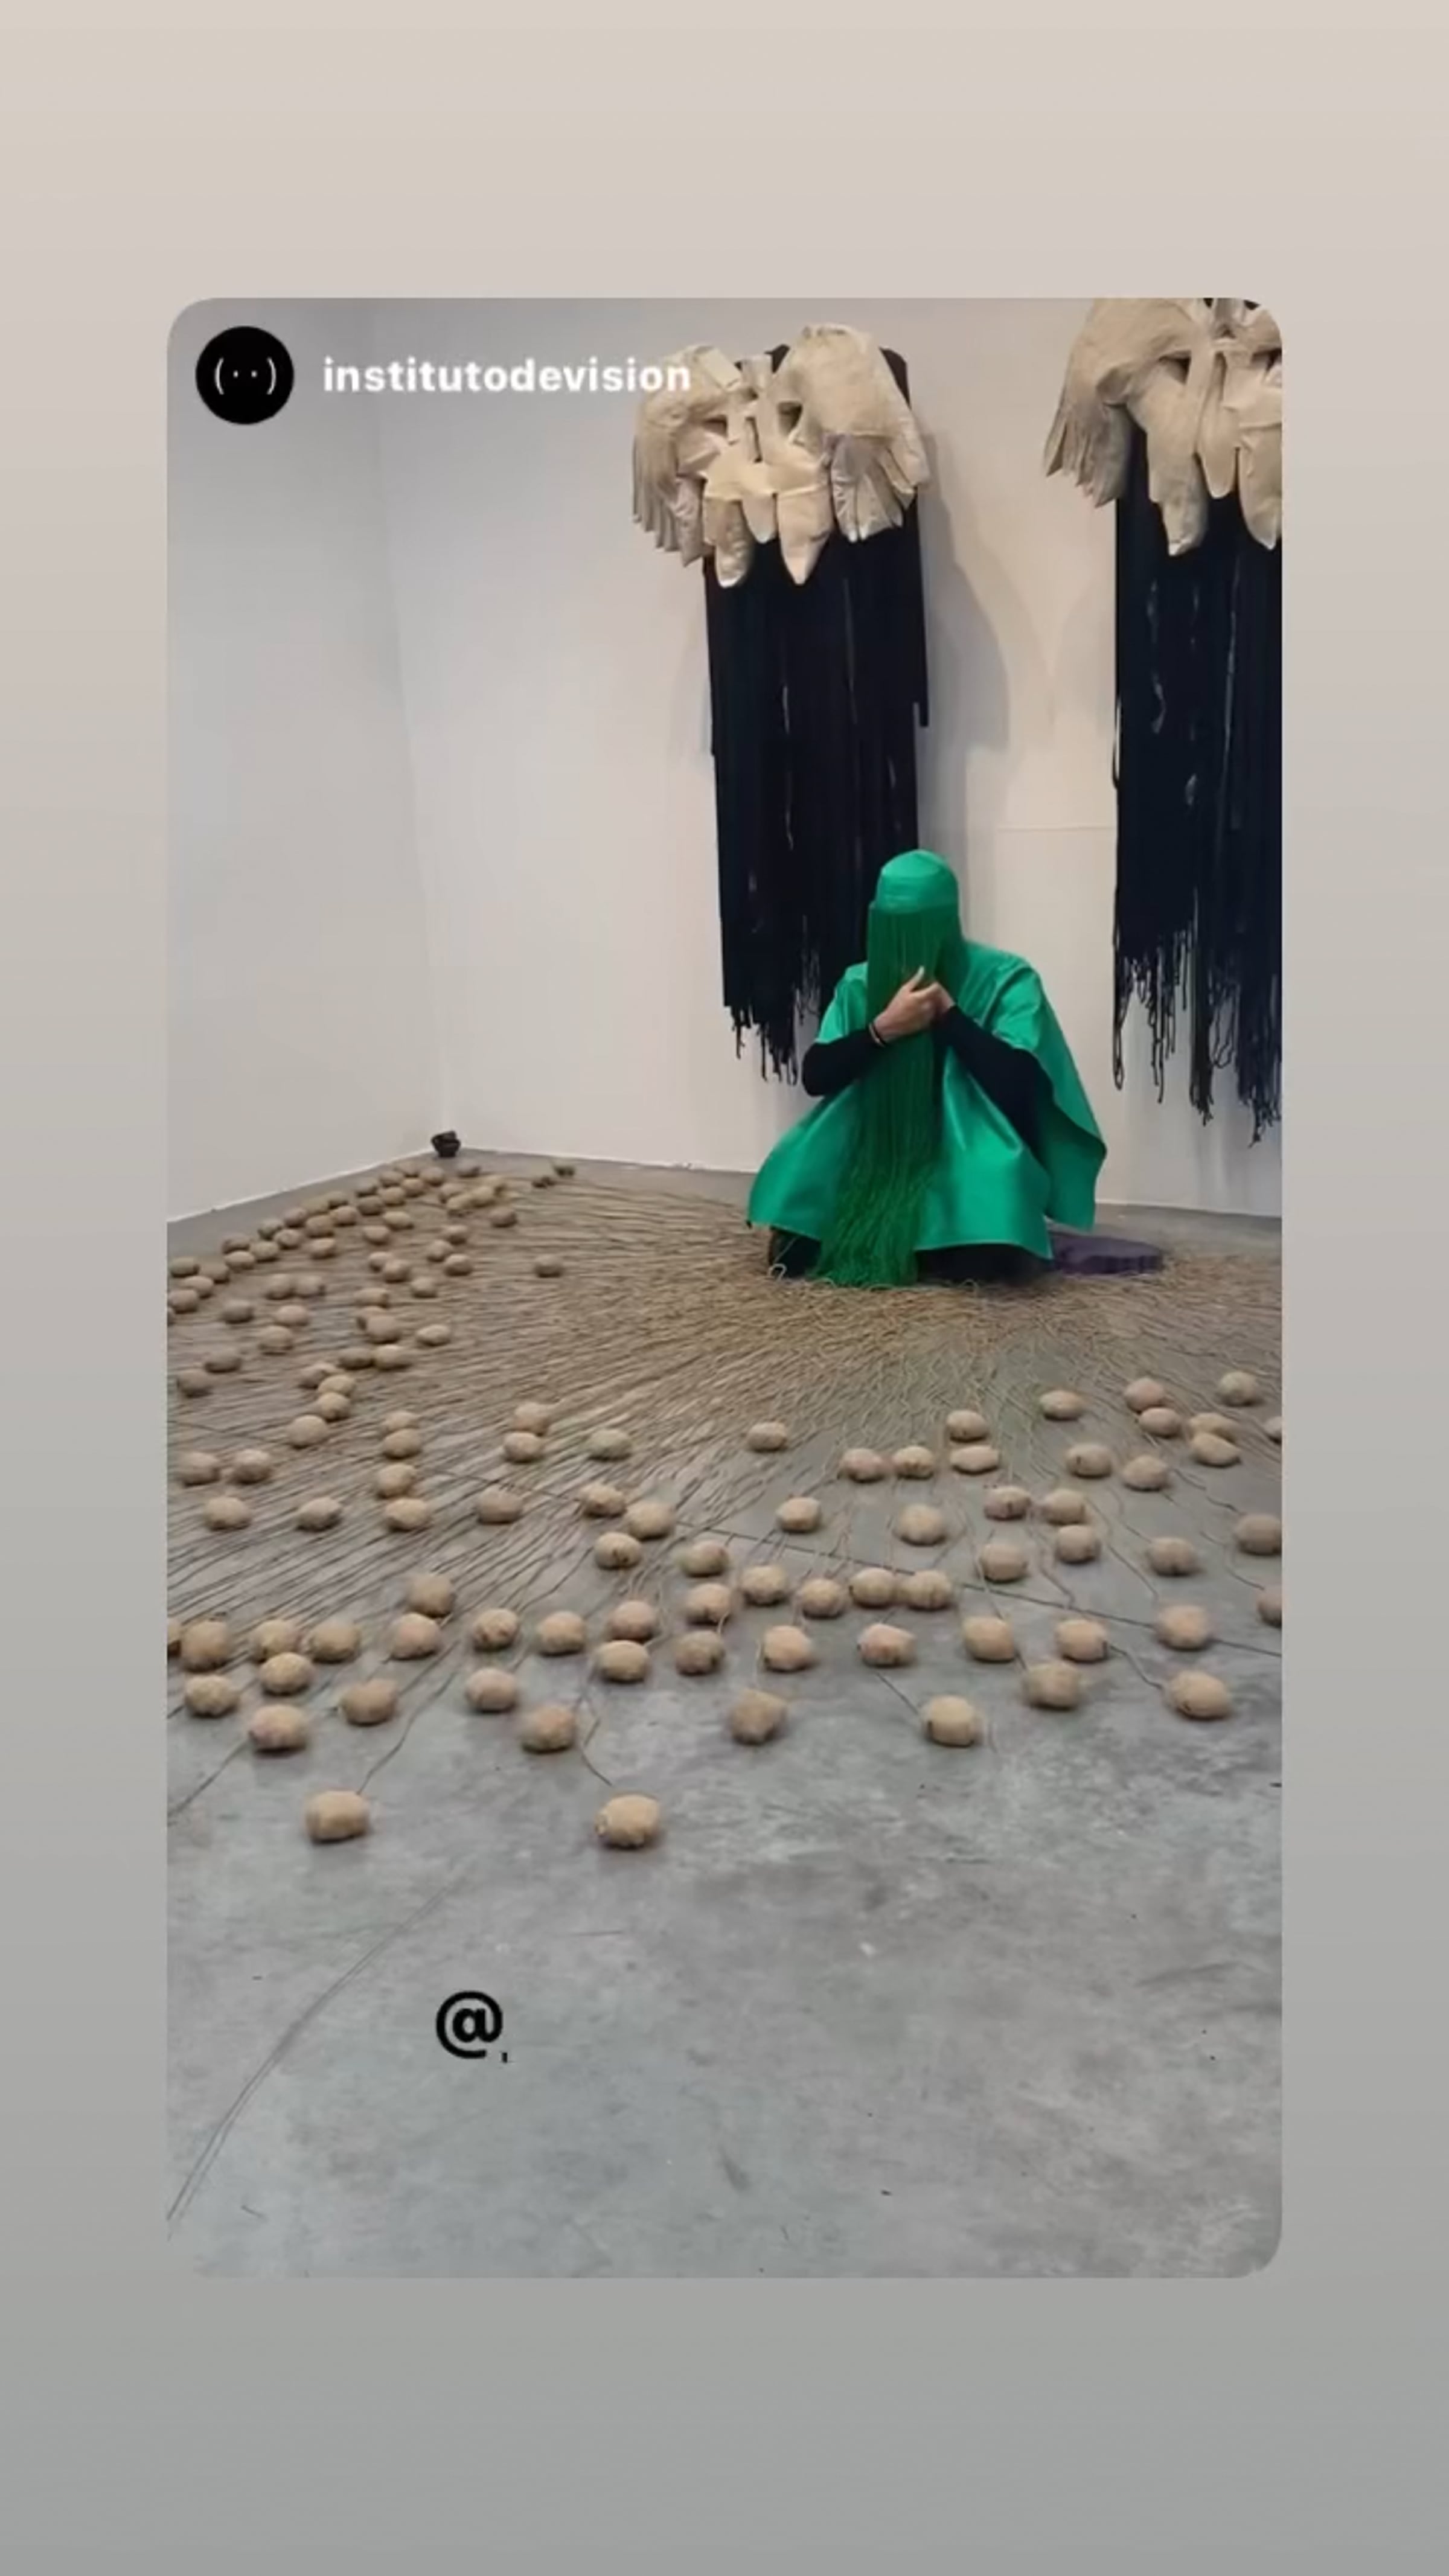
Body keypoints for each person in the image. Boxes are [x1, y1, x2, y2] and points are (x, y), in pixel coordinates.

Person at [747, 848, 1157, 1288]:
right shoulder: (859, 983)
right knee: (795, 1225)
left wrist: (949, 1017)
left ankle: (942, 1239)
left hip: (965, 1134)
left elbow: (1020, 1085)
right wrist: (882, 1030)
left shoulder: (1007, 978)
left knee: (991, 1217)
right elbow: (817, 1076)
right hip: (874, 1136)